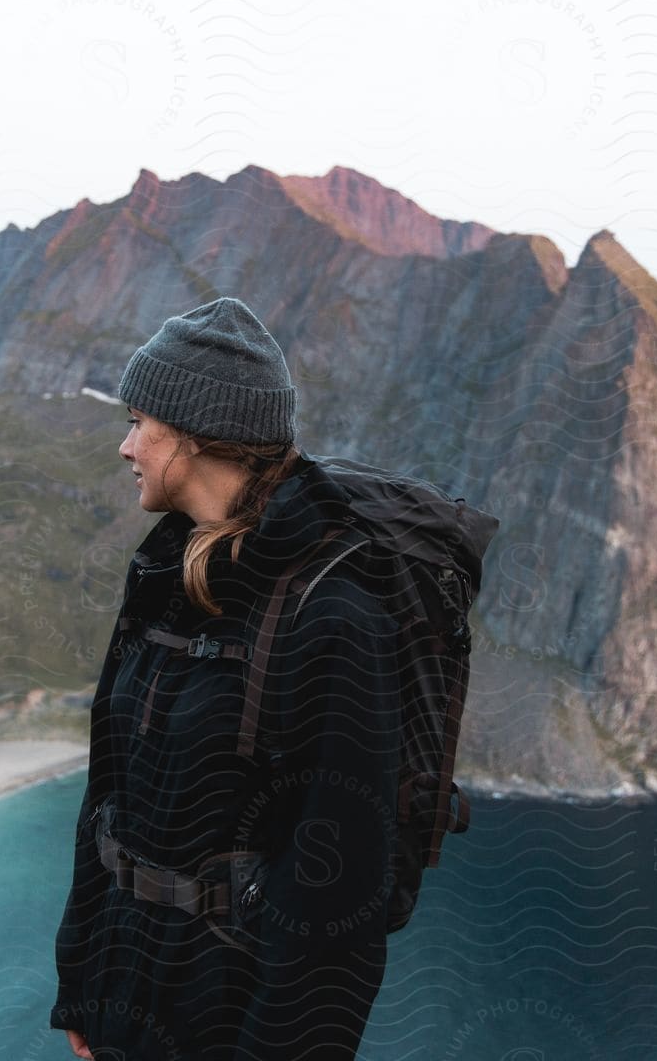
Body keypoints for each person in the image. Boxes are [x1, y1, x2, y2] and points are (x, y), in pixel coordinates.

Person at [48, 297, 401, 1061]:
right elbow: (109, 797)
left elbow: (339, 901)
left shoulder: (332, 614)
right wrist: (81, 979)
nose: (125, 445)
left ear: (197, 438)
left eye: (140, 421)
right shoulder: (159, 573)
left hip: (223, 1024)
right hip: (125, 1000)